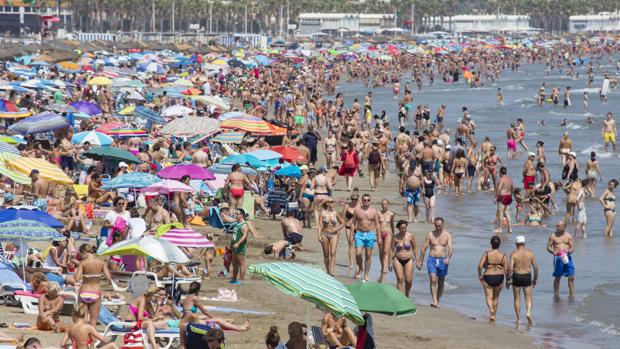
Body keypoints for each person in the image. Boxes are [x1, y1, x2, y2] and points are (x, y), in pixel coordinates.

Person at [417, 217, 453, 308]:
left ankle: (438, 300)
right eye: (436, 226)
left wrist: (448, 257)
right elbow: (423, 248)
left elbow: (450, 248)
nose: (438, 228)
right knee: (433, 280)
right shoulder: (430, 235)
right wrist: (420, 261)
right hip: (432, 259)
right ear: (434, 225)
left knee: (441, 282)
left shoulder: (447, 235)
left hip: (442, 260)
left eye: (440, 226)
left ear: (443, 225)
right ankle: (434, 300)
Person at [74, 244, 112, 326]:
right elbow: (108, 277)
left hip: (84, 291)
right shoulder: (101, 263)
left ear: (84, 252)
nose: (80, 256)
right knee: (93, 321)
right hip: (96, 291)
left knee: (83, 320)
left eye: (80, 253)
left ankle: (83, 337)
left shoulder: (83, 263)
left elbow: (76, 279)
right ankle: (92, 339)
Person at [507, 235, 538, 325]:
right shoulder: (530, 253)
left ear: (516, 243)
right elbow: (536, 267)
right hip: (527, 276)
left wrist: (508, 279)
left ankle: (518, 319)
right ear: (524, 243)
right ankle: (528, 312)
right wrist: (535, 279)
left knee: (517, 298)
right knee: (528, 297)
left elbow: (510, 268)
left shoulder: (514, 253)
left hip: (517, 276)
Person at [349, 193, 380, 282]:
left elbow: (377, 224)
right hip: (359, 234)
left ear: (370, 201)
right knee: (358, 253)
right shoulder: (357, 210)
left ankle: (366, 274)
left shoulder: (374, 211)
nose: (366, 201)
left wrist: (379, 236)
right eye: (365, 200)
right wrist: (351, 235)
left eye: (368, 200)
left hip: (370, 234)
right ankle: (360, 268)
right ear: (362, 201)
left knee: (368, 255)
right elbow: (353, 223)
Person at [477, 236, 507, 323]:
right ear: (499, 244)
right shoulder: (503, 255)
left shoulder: (486, 253)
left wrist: (479, 276)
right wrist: (508, 279)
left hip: (488, 276)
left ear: (491, 243)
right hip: (499, 277)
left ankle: (491, 310)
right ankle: (493, 316)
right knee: (496, 297)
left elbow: (480, 266)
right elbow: (506, 269)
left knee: (488, 297)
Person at [546, 221, 575, 298]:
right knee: (558, 277)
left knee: (571, 276)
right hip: (558, 258)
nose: (557, 227)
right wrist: (553, 251)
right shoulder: (553, 236)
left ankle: (572, 294)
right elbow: (548, 247)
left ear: (564, 227)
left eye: (559, 226)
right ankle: (556, 294)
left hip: (567, 257)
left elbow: (572, 247)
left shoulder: (568, 236)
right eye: (556, 226)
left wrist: (569, 251)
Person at [317, 197, 344, 276]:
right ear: (327, 203)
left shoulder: (335, 213)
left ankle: (331, 271)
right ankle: (328, 270)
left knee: (333, 253)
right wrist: (319, 236)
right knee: (326, 254)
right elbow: (319, 226)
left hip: (334, 235)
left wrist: (336, 230)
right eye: (331, 202)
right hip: (324, 234)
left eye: (333, 201)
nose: (333, 203)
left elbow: (342, 223)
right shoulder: (323, 213)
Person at [391, 220, 418, 297]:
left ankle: (407, 294)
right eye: (402, 228)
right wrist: (390, 262)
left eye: (405, 228)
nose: (404, 230)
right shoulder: (395, 237)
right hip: (397, 259)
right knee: (399, 278)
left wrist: (418, 260)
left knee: (408, 280)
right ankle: (400, 297)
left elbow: (415, 248)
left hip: (408, 259)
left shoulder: (410, 236)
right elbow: (392, 250)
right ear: (398, 228)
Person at [377, 199, 395, 281]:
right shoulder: (378, 213)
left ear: (388, 205)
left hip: (388, 233)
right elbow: (376, 224)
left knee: (386, 251)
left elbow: (392, 224)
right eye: (383, 204)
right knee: (381, 251)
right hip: (380, 233)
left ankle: (385, 267)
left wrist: (393, 235)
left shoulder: (391, 214)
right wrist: (376, 234)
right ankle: (382, 265)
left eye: (385, 204)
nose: (384, 206)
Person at [230, 208, 249, 285]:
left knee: (241, 263)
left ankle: (241, 280)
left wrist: (238, 243)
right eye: (236, 214)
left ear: (241, 215)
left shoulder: (244, 225)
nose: (236, 215)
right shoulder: (237, 223)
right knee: (234, 263)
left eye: (237, 214)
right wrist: (231, 245)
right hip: (234, 246)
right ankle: (234, 279)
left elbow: (244, 236)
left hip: (240, 247)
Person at [495, 167, 514, 234]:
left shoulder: (501, 179)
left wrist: (495, 197)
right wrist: (511, 196)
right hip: (508, 197)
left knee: (501, 213)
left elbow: (499, 188)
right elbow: (512, 188)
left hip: (502, 197)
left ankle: (500, 228)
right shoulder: (510, 179)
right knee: (507, 212)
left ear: (500, 172)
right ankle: (510, 228)